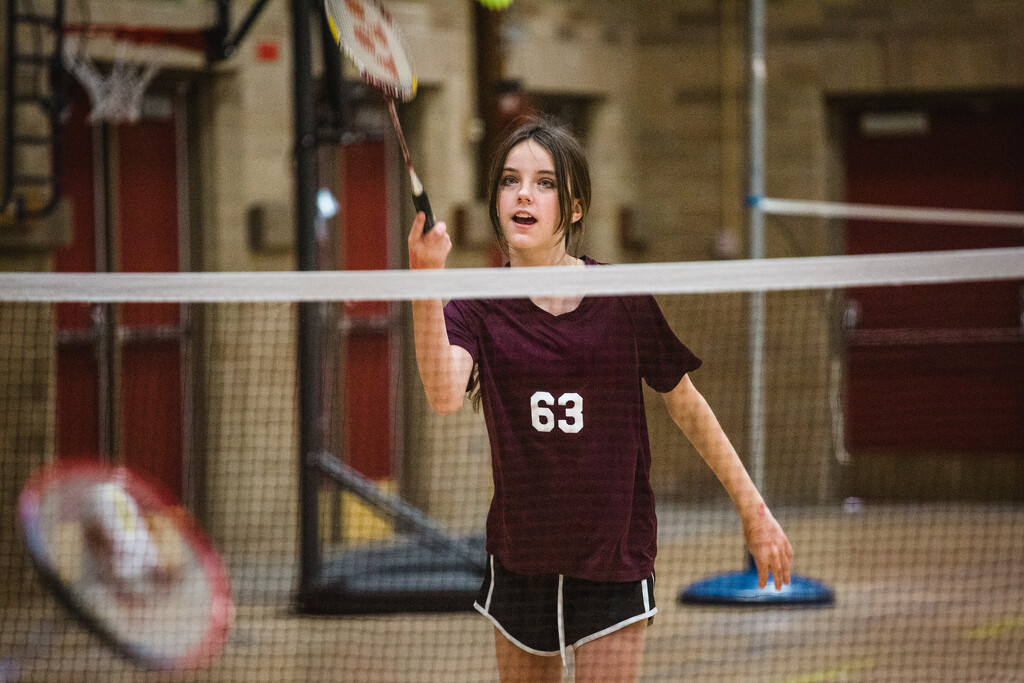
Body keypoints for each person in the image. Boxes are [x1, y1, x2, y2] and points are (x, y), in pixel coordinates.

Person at [408, 117, 793, 683]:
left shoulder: (621, 297)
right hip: (523, 555)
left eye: (544, 183)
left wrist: (754, 511)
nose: (523, 194)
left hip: (614, 554)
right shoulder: (478, 306)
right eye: (511, 180)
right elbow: (443, 395)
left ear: (576, 207)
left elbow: (686, 404)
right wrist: (424, 282)